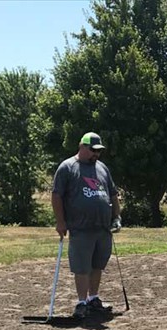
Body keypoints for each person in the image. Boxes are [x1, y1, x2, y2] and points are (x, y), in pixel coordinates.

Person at [51, 132, 122, 319]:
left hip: (103, 227)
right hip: (80, 228)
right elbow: (56, 195)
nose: (96, 155)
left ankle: (93, 299)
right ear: (82, 147)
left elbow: (112, 194)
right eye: (93, 151)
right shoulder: (67, 167)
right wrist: (60, 221)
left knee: (97, 265)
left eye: (99, 151)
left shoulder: (102, 168)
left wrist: (117, 217)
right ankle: (81, 302)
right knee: (82, 267)